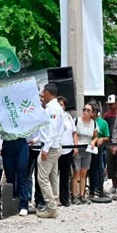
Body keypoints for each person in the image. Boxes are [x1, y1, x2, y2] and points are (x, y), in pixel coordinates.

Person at [34, 83, 64, 218]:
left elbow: (52, 130)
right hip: (53, 146)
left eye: (43, 94)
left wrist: (45, 149)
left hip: (50, 147)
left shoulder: (53, 109)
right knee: (52, 176)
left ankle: (51, 207)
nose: (42, 96)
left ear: (47, 93)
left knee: (42, 178)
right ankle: (54, 202)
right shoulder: (55, 108)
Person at [72, 101, 97, 205]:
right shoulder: (77, 120)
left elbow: (95, 136)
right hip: (78, 148)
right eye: (84, 109)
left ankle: (82, 195)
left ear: (92, 113)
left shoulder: (93, 123)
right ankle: (74, 195)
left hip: (87, 149)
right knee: (76, 173)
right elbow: (74, 134)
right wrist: (75, 146)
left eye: (88, 110)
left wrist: (93, 142)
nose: (85, 112)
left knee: (84, 173)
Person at [88, 103, 111, 201]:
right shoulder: (86, 121)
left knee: (100, 169)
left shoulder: (103, 123)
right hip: (88, 148)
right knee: (90, 170)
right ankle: (91, 189)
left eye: (91, 111)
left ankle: (99, 188)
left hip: (99, 149)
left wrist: (102, 139)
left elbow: (107, 136)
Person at [56, 96, 76, 207]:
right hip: (56, 149)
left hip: (67, 149)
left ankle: (64, 198)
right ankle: (54, 198)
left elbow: (74, 132)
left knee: (65, 175)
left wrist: (75, 146)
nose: (60, 107)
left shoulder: (68, 116)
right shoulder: (53, 116)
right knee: (53, 176)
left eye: (62, 105)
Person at [103, 95, 117, 192]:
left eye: (112, 104)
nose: (110, 106)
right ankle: (114, 185)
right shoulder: (107, 115)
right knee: (111, 164)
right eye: (109, 104)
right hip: (109, 143)